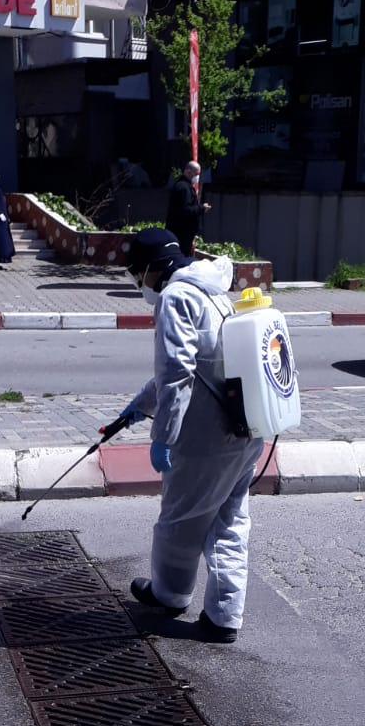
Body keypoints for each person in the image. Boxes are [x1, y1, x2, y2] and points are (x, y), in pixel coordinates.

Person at [103, 227, 263, 645]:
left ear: (152, 269)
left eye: (137, 274)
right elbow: (193, 366)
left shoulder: (176, 297)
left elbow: (176, 375)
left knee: (180, 521)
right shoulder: (214, 292)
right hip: (245, 430)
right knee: (229, 522)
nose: (139, 284)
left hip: (206, 436)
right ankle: (225, 615)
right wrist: (138, 408)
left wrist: (164, 437)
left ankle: (170, 594)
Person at [165, 160, 211, 256]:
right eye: (196, 174)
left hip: (182, 232)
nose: (197, 177)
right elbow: (186, 209)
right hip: (181, 233)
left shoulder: (183, 185)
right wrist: (201, 208)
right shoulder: (184, 188)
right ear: (188, 172)